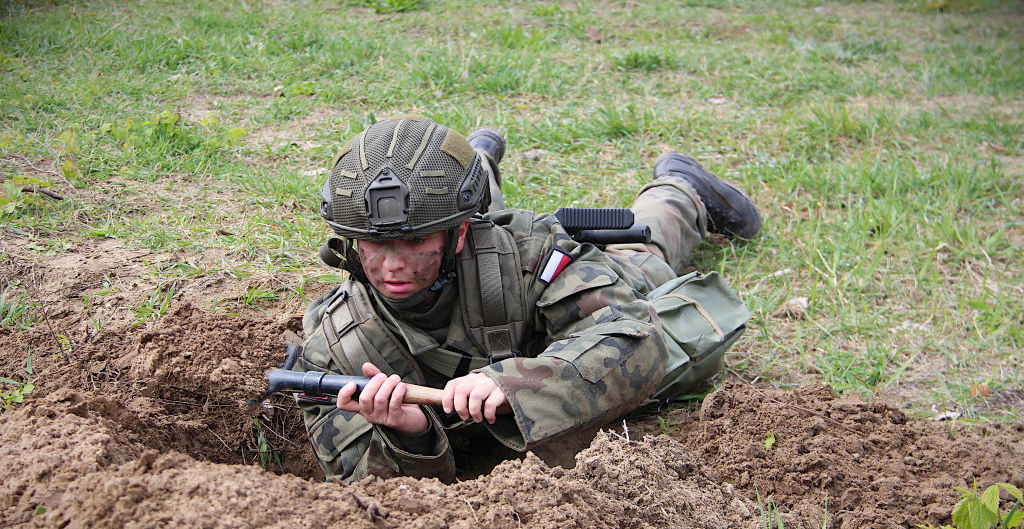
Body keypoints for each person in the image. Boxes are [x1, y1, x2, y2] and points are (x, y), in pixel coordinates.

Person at [295, 115, 761, 483]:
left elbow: (636, 337)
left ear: (458, 233)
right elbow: (367, 492)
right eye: (375, 246)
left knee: (642, 263)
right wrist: (409, 433)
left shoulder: (528, 255)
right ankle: (476, 163)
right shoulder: (335, 348)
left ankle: (681, 188)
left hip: (529, 299)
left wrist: (514, 383)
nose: (393, 267)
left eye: (416, 243)